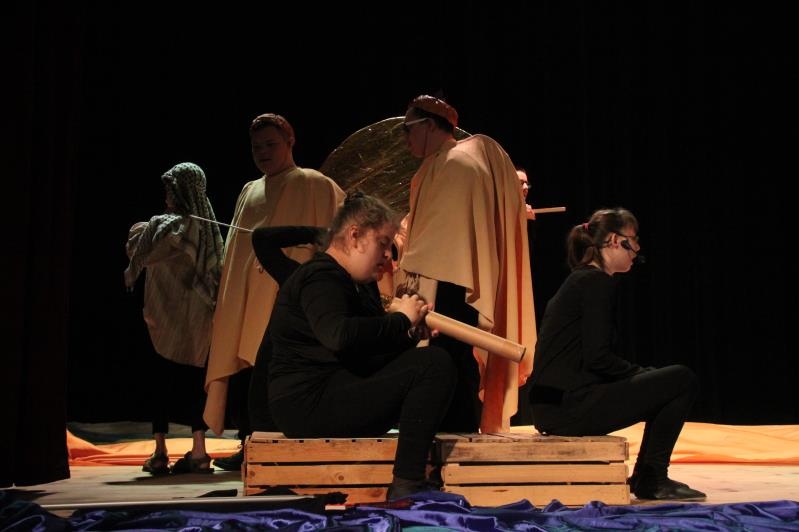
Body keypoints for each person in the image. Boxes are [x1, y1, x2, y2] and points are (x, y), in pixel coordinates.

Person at [266, 192, 457, 500]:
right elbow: (339, 336)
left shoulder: (356, 284)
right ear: (354, 236)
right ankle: (407, 484)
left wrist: (409, 334)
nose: (387, 254)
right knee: (433, 365)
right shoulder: (320, 276)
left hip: (329, 391)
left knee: (432, 362)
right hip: (306, 403)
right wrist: (400, 320)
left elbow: (366, 353)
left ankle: (413, 479)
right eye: (382, 243)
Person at [528, 207, 706, 501]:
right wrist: (642, 374)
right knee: (682, 379)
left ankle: (647, 477)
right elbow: (598, 358)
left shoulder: (580, 280)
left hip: (553, 406)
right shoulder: (596, 282)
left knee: (663, 383)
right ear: (614, 240)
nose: (637, 250)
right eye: (633, 240)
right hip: (568, 407)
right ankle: (652, 478)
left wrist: (644, 378)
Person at [204, 113, 345, 471]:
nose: (263, 152)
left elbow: (337, 232)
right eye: (256, 147)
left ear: (290, 142)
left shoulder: (314, 183)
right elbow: (236, 249)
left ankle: (279, 442)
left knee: (277, 368)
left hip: (288, 293)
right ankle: (249, 441)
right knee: (248, 368)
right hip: (250, 294)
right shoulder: (249, 190)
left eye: (271, 144)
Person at [395, 95, 536, 433]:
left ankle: (456, 430)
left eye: (408, 129)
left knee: (453, 356)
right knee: (445, 357)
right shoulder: (437, 165)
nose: (405, 138)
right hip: (443, 276)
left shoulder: (457, 163)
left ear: (429, 125)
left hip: (454, 281)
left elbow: (447, 235)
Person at [124, 162, 224, 475]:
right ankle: (191, 451)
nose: (167, 194)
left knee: (166, 381)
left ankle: (165, 452)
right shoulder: (201, 229)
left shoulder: (177, 228)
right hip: (183, 316)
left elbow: (140, 249)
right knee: (185, 381)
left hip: (175, 317)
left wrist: (145, 227)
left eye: (171, 188)